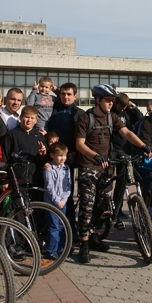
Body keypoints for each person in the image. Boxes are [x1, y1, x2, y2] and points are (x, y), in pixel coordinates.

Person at [75, 84, 152, 264]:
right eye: (108, 101)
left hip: (107, 167)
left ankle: (94, 237)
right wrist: (95, 156)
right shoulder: (86, 118)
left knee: (103, 207)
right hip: (89, 167)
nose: (111, 104)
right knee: (87, 207)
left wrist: (143, 146)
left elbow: (126, 132)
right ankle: (84, 245)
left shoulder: (113, 118)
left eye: (112, 101)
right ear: (98, 100)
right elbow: (80, 144)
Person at [46, 82, 86, 243]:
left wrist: (75, 153)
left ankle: (70, 232)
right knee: (52, 195)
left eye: (69, 94)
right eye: (63, 94)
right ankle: (56, 233)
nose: (66, 97)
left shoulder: (79, 114)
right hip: (53, 159)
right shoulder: (53, 111)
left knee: (66, 196)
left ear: (75, 96)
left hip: (70, 159)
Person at [110, 93, 143, 220]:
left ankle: (118, 210)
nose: (122, 109)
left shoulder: (127, 112)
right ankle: (108, 208)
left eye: (124, 107)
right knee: (108, 182)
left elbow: (139, 118)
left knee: (122, 182)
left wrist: (132, 106)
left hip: (124, 150)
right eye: (120, 106)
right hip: (112, 150)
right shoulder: (111, 111)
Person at [1, 105, 48, 189]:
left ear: (36, 120)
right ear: (21, 117)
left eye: (32, 118)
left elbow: (44, 162)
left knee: (36, 202)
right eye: (26, 117)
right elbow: (4, 158)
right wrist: (4, 180)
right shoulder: (11, 135)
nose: (29, 120)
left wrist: (43, 154)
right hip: (16, 180)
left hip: (35, 180)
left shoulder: (40, 136)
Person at [42, 142, 72, 261]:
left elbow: (68, 186)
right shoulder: (49, 169)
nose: (62, 158)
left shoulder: (66, 168)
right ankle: (51, 250)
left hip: (62, 202)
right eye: (59, 156)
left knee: (61, 225)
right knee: (53, 226)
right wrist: (56, 201)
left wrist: (64, 199)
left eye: (64, 156)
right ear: (52, 155)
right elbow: (49, 188)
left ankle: (61, 249)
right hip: (52, 203)